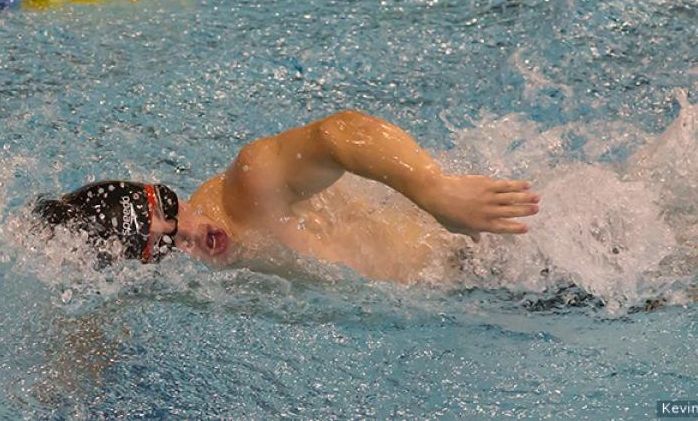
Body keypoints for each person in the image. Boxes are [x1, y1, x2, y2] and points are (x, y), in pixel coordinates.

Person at [34, 110, 540, 282]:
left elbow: (341, 133)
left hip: (506, 251)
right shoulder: (204, 281)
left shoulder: (249, 188)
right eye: (164, 245)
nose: (192, 231)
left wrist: (437, 192)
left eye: (169, 207)